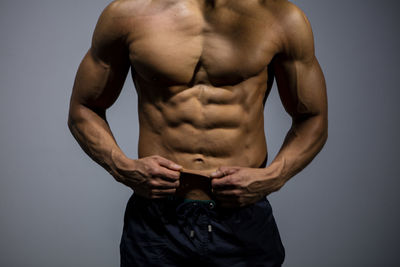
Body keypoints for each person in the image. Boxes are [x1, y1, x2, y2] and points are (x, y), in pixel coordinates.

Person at [68, 0, 327, 266]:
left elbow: (312, 117)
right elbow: (83, 108)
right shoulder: (128, 15)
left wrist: (273, 177)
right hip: (158, 219)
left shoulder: (281, 18)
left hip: (242, 218)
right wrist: (122, 167)